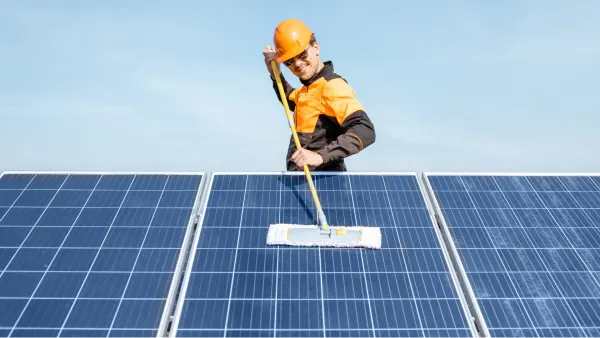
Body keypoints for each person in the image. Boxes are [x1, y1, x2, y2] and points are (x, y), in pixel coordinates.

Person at [263, 18, 375, 172]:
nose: (297, 64)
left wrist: (320, 156)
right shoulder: (308, 89)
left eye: (302, 55)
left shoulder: (332, 86)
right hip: (302, 183)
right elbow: (292, 101)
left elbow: (365, 129)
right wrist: (275, 75)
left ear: (316, 47)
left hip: (325, 186)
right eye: (289, 61)